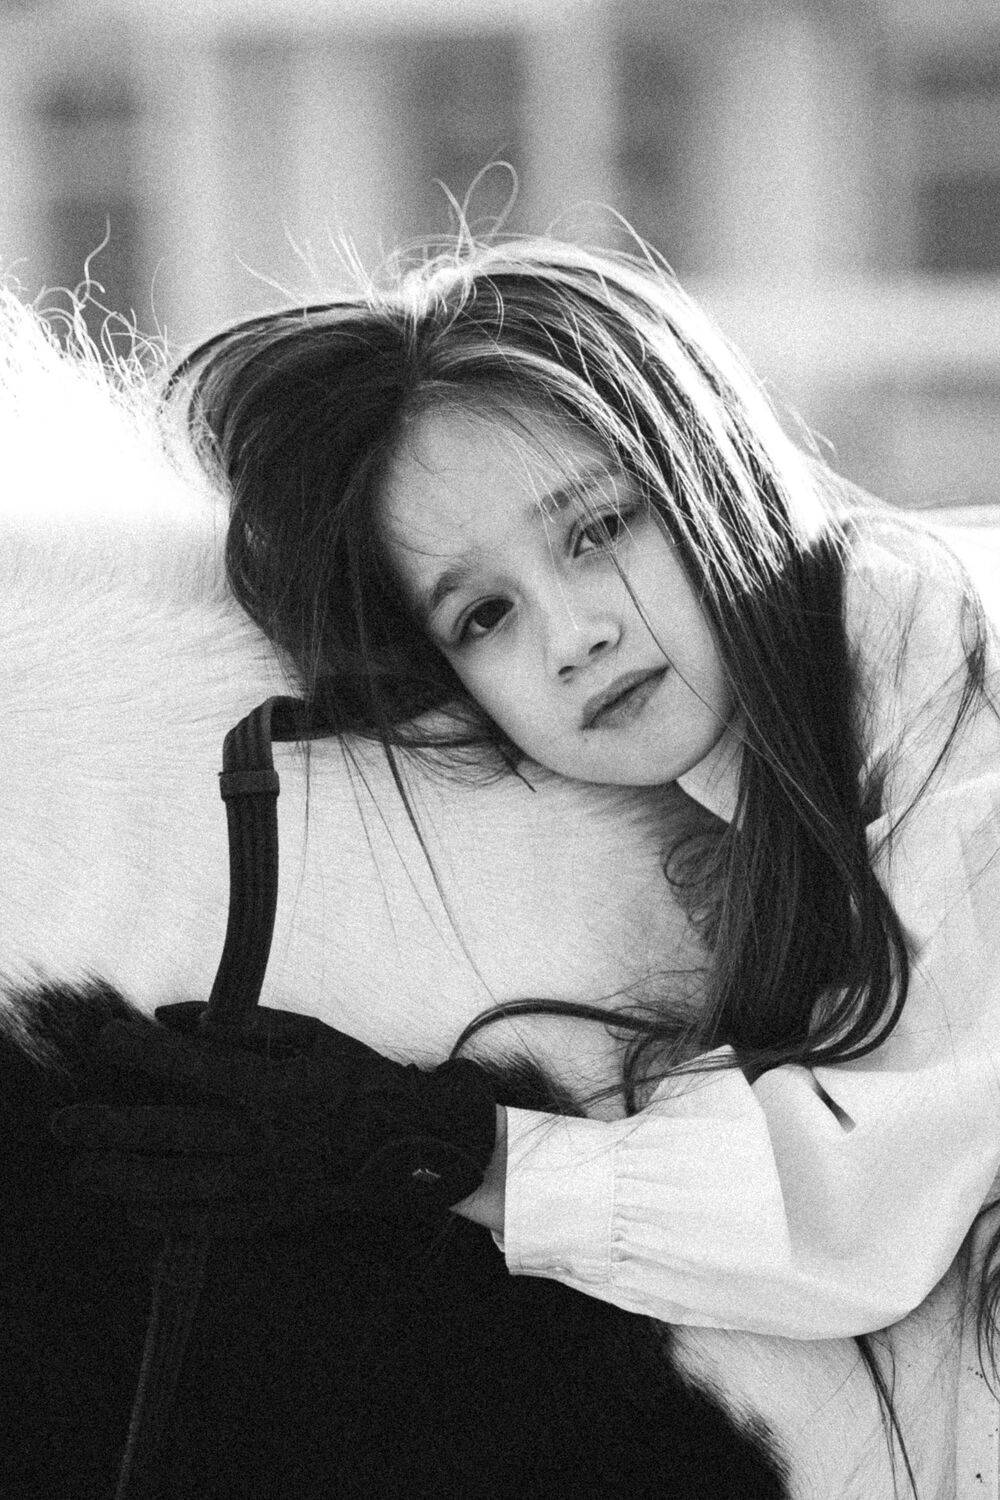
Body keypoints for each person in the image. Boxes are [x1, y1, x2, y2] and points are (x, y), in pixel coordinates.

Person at [66, 237, 1000, 1355]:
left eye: (598, 529)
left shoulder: (938, 654)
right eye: (483, 616)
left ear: (709, 471)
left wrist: (444, 1151)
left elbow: (867, 1206)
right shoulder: (733, 801)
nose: (571, 637)